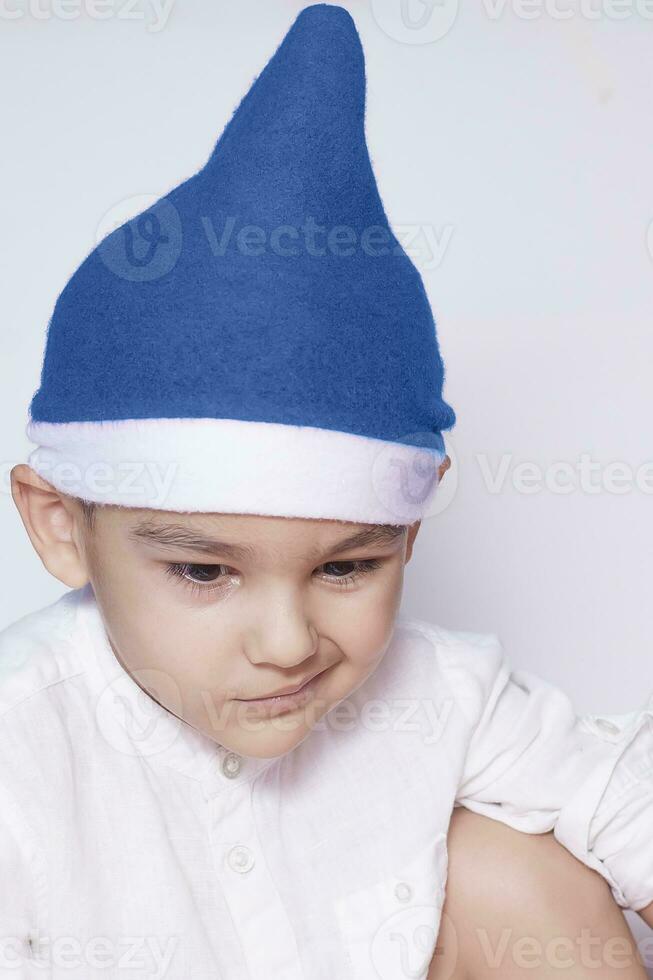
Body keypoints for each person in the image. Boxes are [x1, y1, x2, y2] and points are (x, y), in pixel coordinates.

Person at [4, 5, 652, 978]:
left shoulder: (437, 693)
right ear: (61, 525)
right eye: (201, 568)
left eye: (347, 563)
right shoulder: (23, 750)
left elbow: (617, 790)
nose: (287, 643)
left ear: (410, 527)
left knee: (509, 867)